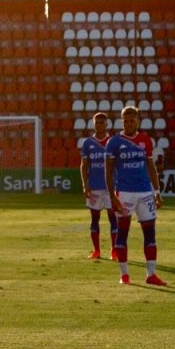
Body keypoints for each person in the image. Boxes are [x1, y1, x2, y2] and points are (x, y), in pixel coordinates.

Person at [104, 106, 166, 286]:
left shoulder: (145, 141)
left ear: (138, 121)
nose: (128, 123)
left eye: (132, 120)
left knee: (150, 233)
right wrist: (112, 196)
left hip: (145, 193)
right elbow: (108, 171)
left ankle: (151, 274)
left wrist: (157, 192)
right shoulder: (114, 142)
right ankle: (124, 275)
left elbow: (151, 168)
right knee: (122, 232)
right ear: (121, 121)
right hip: (124, 193)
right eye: (125, 120)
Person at [78, 111, 118, 260]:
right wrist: (85, 185)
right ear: (93, 124)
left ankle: (114, 251)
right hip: (94, 186)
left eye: (102, 123)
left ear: (106, 124)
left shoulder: (113, 142)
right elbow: (83, 165)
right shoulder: (88, 143)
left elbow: (117, 165)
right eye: (97, 123)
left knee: (113, 219)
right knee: (94, 219)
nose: (99, 125)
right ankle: (96, 251)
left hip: (110, 187)